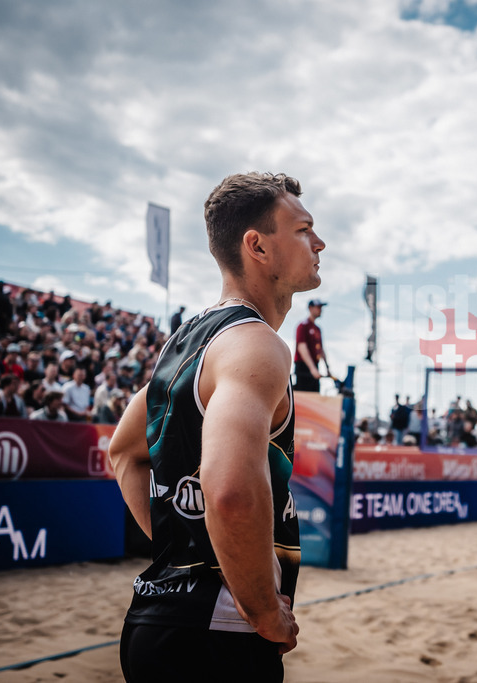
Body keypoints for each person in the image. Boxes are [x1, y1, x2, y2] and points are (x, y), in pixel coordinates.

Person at [109, 171, 322, 682]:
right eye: (302, 229)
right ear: (258, 246)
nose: (319, 242)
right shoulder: (255, 345)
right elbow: (228, 491)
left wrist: (184, 545)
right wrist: (265, 610)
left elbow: (123, 452)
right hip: (217, 634)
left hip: (156, 619)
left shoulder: (190, 342)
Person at [293, 298, 326, 392]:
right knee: (303, 398)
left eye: (321, 307)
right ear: (310, 308)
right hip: (303, 368)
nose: (320, 310)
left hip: (315, 365)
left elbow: (321, 350)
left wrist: (327, 368)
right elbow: (302, 347)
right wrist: (312, 369)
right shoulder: (303, 326)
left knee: (315, 394)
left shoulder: (317, 329)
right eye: (318, 307)